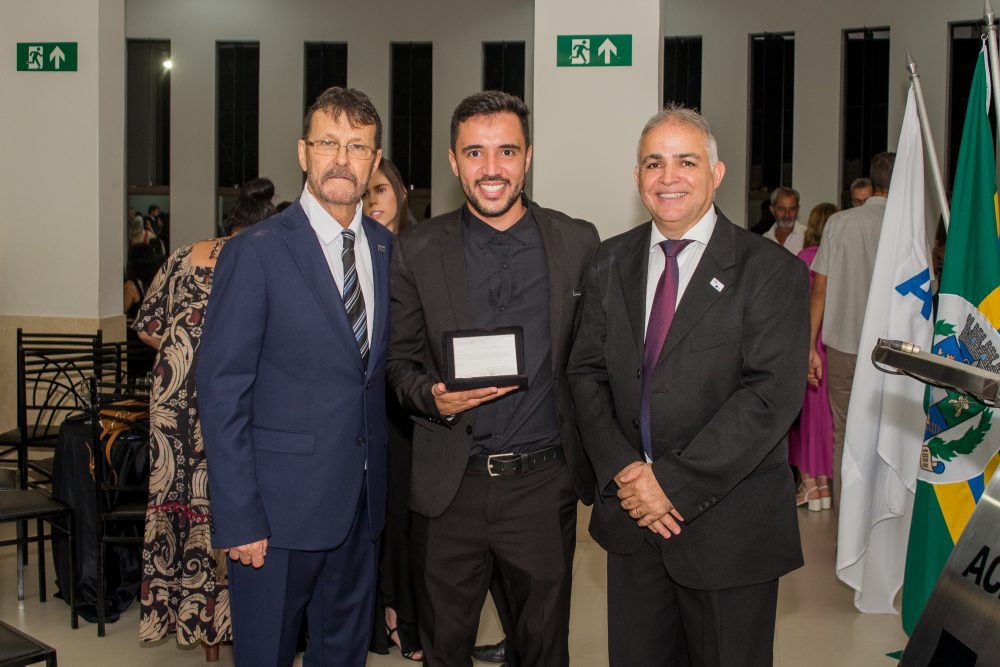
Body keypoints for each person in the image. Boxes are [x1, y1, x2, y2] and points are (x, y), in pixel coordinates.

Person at [567, 105, 809, 667]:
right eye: (654, 163)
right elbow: (585, 373)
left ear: (716, 173)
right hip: (633, 521)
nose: (668, 177)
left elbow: (769, 396)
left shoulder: (771, 271)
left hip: (729, 532)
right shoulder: (609, 260)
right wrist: (626, 472)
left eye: (686, 161)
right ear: (637, 177)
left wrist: (669, 484)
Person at [387, 90, 599, 667]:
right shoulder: (416, 250)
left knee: (543, 649)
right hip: (449, 486)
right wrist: (432, 397)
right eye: (474, 153)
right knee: (444, 649)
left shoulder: (577, 243)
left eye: (506, 151)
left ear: (528, 156)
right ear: (453, 162)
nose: (491, 168)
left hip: (542, 485)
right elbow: (398, 363)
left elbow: (592, 362)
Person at [197, 87, 393, 667]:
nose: (342, 159)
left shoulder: (385, 249)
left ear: (375, 161)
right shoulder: (255, 252)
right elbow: (222, 390)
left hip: (360, 509)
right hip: (274, 520)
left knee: (345, 656)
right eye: (328, 143)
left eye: (357, 146)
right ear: (303, 152)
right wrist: (239, 516)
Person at [133, 178, 277, 660]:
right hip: (229, 403)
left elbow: (146, 326)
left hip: (171, 401)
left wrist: (182, 349)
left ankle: (182, 615)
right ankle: (224, 621)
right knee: (224, 501)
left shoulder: (182, 255)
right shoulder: (255, 259)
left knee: (177, 506)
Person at [809, 152, 895, 510]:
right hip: (893, 351)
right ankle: (885, 522)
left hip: (842, 345)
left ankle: (846, 524)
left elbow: (820, 289)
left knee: (844, 433)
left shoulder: (839, 223)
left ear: (871, 183)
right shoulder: (905, 224)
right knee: (890, 435)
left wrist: (809, 346)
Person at [362, 158, 422, 663]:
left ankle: (406, 615)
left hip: (410, 404)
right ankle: (379, 615)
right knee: (371, 513)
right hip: (364, 404)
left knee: (405, 516)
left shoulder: (423, 249)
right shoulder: (356, 251)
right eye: (364, 194)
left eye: (380, 190)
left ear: (401, 192)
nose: (372, 201)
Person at [789, 202, 839, 511]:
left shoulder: (805, 258)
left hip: (809, 340)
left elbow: (795, 304)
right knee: (827, 419)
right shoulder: (839, 259)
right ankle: (823, 487)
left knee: (806, 418)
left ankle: (808, 486)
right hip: (832, 342)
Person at [762, 186, 806, 254]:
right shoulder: (764, 240)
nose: (787, 215)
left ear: (798, 209)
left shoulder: (807, 237)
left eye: (792, 209)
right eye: (782, 209)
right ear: (772, 210)